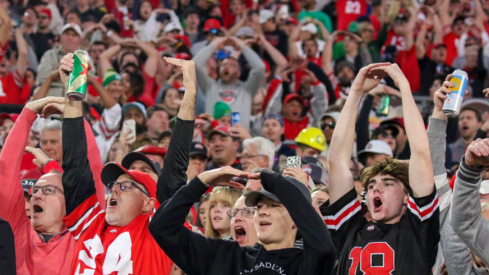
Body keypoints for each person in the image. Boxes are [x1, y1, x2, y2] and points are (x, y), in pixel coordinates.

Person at [58, 53, 173, 274]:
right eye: (114, 186)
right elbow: (75, 165)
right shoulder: (91, 222)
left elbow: (175, 176)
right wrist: (72, 97)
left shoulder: (158, 230)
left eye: (127, 186)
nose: (115, 191)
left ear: (150, 204)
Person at [323, 63, 439, 274]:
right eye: (372, 184)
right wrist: (356, 92)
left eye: (388, 183)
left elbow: (421, 154)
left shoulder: (418, 229)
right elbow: (338, 162)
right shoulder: (350, 228)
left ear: (407, 197)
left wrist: (403, 86)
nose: (376, 189)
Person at [149, 165, 336, 275]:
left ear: (297, 219)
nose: (262, 212)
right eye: (260, 206)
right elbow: (162, 227)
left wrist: (277, 182)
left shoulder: (308, 264)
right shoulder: (228, 257)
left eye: (274, 206)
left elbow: (324, 247)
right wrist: (201, 181)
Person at [0, 96, 105, 275]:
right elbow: (6, 171)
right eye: (35, 191)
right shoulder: (16, 231)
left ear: (70, 202)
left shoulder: (84, 234)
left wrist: (75, 117)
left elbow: (92, 170)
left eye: (48, 190)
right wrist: (27, 114)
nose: (37, 196)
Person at [193, 36, 266, 129]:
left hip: (238, 140)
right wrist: (214, 44)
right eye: (223, 65)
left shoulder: (247, 90)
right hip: (213, 137)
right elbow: (195, 64)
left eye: (232, 65)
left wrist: (242, 46)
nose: (226, 67)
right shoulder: (210, 86)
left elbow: (260, 68)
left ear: (239, 73)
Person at [36, 23, 82, 97]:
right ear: (61, 37)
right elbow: (42, 77)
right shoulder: (49, 55)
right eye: (67, 34)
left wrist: (56, 73)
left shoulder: (84, 57)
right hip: (51, 101)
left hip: (77, 102)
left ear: (79, 40)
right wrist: (72, 73)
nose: (70, 37)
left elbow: (86, 79)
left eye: (74, 35)